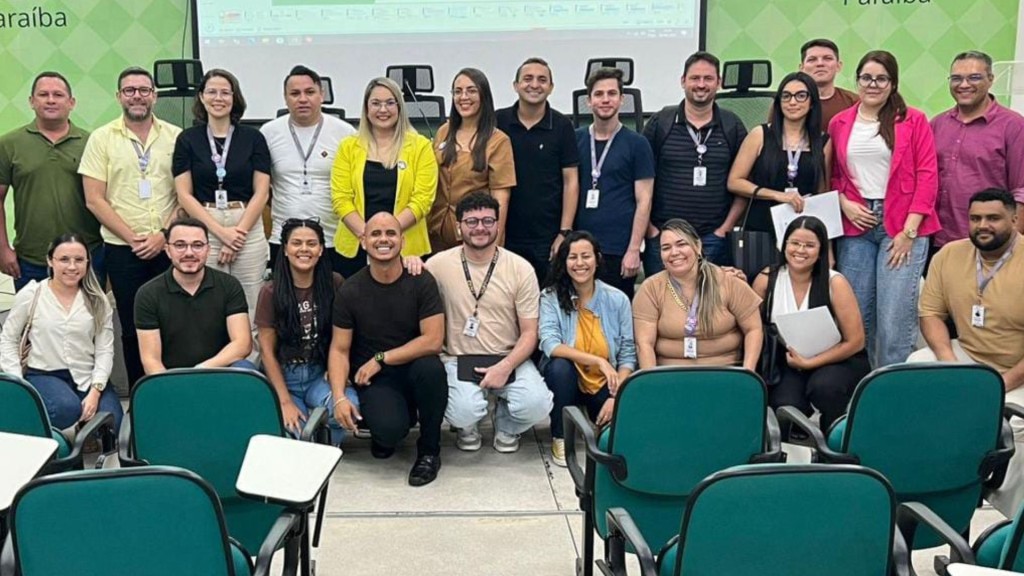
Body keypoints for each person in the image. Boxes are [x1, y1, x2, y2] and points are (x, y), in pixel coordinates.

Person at [911, 189, 1024, 517]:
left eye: (993, 218)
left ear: (1014, 219)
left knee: (1015, 425)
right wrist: (950, 365)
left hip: (1016, 370)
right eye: (975, 218)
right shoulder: (949, 254)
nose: (982, 225)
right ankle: (928, 480)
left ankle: (1005, 517)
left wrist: (999, 384)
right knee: (915, 369)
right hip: (969, 358)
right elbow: (931, 314)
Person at [829, 50, 939, 367]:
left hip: (903, 225)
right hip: (856, 225)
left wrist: (909, 232)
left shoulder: (913, 120)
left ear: (893, 83)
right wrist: (844, 203)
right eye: (866, 78)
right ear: (857, 80)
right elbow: (832, 174)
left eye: (881, 79)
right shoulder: (840, 122)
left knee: (894, 318)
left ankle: (894, 387)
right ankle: (861, 387)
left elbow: (927, 174)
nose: (873, 84)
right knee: (857, 317)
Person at [425, 192, 552, 453]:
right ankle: (467, 427)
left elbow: (530, 332)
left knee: (538, 405)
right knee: (463, 412)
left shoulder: (520, 268)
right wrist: (410, 261)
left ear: (498, 224)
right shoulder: (437, 265)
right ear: (458, 227)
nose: (480, 228)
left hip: (508, 356)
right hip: (456, 358)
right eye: (471, 221)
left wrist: (506, 366)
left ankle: (506, 425)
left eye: (487, 221)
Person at [329, 212, 448, 486]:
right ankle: (391, 428)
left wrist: (382, 358)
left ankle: (429, 451)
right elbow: (339, 349)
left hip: (414, 368)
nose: (384, 239)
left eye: (390, 233)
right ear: (363, 241)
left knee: (432, 369)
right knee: (389, 431)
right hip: (376, 380)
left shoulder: (421, 281)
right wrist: (338, 397)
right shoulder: (350, 290)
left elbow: (433, 340)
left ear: (402, 241)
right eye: (376, 234)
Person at [81, 66, 182, 389]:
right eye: (129, 90)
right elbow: (94, 199)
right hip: (123, 250)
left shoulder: (176, 136)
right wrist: (134, 238)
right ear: (119, 96)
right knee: (133, 325)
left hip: (170, 248)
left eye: (143, 90)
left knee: (174, 323)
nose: (137, 96)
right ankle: (142, 395)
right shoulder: (101, 138)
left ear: (155, 95)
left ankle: (176, 390)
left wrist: (163, 236)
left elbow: (185, 194)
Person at [173, 68, 270, 336]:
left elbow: (262, 192)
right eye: (212, 92)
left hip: (246, 224)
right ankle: (214, 360)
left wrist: (237, 234)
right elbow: (184, 194)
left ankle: (249, 361)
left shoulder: (253, 138)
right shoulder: (187, 139)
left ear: (234, 98)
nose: (219, 98)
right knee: (207, 301)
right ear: (201, 97)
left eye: (225, 92)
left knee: (251, 304)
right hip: (204, 225)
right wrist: (220, 233)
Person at [751, 216, 869, 432]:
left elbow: (856, 341)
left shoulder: (835, 282)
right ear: (784, 244)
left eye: (809, 245)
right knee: (785, 404)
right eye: (795, 243)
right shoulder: (766, 279)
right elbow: (751, 325)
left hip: (836, 358)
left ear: (821, 249)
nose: (800, 250)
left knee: (825, 388)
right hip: (789, 360)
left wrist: (810, 363)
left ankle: (835, 437)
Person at [0, 234, 122, 434]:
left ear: (87, 262)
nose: (72, 267)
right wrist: (18, 384)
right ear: (50, 261)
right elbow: (8, 339)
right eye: (64, 259)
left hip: (86, 375)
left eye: (79, 260)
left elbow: (105, 350)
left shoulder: (97, 300)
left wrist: (96, 390)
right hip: (44, 373)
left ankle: (82, 435)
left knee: (112, 422)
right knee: (65, 409)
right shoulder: (32, 294)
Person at [642, 51, 748, 272]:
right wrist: (651, 230)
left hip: (713, 239)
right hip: (664, 239)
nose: (701, 85)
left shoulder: (732, 125)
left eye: (708, 78)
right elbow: (640, 180)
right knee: (664, 295)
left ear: (719, 82)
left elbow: (745, 182)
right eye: (695, 78)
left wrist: (724, 230)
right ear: (683, 81)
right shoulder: (660, 123)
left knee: (709, 295)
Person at [539, 231, 635, 466]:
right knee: (560, 368)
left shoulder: (617, 299)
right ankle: (561, 436)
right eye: (573, 257)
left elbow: (627, 355)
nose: (580, 263)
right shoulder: (550, 297)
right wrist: (598, 361)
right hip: (567, 377)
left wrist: (616, 396)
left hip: (602, 381)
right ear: (564, 262)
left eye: (586, 256)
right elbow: (550, 344)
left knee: (616, 439)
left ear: (597, 259)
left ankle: (595, 417)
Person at [0, 72, 103, 291]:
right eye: (43, 94)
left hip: (86, 257)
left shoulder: (93, 143)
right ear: (31, 101)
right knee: (33, 314)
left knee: (89, 313)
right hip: (31, 259)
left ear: (71, 102)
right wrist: (3, 249)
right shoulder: (9, 144)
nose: (50, 100)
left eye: (58, 94)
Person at [331, 77, 438, 279]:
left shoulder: (420, 146)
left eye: (390, 103)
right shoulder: (348, 147)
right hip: (356, 246)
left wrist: (387, 235)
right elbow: (340, 198)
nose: (383, 109)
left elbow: (423, 200)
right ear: (366, 108)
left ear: (399, 107)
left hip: (407, 247)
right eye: (376, 103)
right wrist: (369, 236)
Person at [255, 218, 350, 444]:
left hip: (320, 373)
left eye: (311, 243)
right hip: (285, 375)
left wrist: (338, 372)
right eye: (296, 243)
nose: (304, 249)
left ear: (321, 250)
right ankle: (310, 431)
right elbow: (267, 352)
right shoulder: (270, 292)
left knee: (347, 409)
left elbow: (347, 336)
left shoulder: (335, 283)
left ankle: (317, 429)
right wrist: (285, 401)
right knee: (293, 435)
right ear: (285, 249)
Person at [261, 65, 356, 273]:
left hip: (333, 239)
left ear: (322, 95)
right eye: (295, 93)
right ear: (285, 98)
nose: (302, 99)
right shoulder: (268, 133)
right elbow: (261, 187)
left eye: (310, 92)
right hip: (284, 239)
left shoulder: (345, 133)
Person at [633, 218, 762, 370]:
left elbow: (753, 329)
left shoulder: (728, 281)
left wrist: (747, 372)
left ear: (698, 246)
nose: (674, 253)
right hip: (670, 375)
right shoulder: (651, 289)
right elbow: (644, 344)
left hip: (725, 373)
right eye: (666, 248)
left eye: (681, 244)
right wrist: (652, 381)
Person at [930, 51, 1024, 259]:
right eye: (956, 78)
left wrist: (1014, 246)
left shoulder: (1014, 126)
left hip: (989, 242)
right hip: (936, 241)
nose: (964, 85)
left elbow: (1021, 190)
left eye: (974, 77)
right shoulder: (937, 124)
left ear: (990, 79)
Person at [497, 57, 580, 283]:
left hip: (548, 238)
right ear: (515, 85)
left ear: (551, 87)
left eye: (542, 80)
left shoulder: (562, 126)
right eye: (528, 79)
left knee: (548, 298)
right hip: (505, 235)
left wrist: (564, 233)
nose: (534, 85)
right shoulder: (497, 122)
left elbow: (571, 181)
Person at [135, 218, 255, 373]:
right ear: (168, 250)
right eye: (180, 245)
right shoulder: (148, 294)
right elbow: (151, 360)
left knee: (246, 368)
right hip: (172, 377)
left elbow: (242, 344)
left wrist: (200, 371)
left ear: (208, 250)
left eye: (197, 245)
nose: (189, 252)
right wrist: (172, 384)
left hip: (219, 371)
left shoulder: (229, 285)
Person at [574, 67, 654, 299]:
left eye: (612, 93)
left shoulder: (637, 144)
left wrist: (634, 249)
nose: (605, 99)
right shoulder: (575, 139)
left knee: (615, 312)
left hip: (618, 249)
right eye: (599, 94)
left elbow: (644, 200)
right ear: (588, 101)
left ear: (622, 99)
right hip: (579, 248)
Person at [728, 72, 831, 241]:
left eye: (801, 96)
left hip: (803, 233)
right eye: (786, 96)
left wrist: (828, 247)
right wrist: (777, 195)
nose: (792, 102)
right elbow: (734, 181)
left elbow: (822, 193)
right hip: (761, 228)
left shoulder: (823, 141)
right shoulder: (760, 134)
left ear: (812, 102)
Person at [428, 68, 516, 251]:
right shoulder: (443, 132)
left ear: (484, 95)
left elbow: (501, 199)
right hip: (435, 234)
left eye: (471, 91)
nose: (463, 97)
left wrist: (494, 245)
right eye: (458, 91)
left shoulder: (498, 141)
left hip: (476, 237)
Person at [800, 39, 859, 132]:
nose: (820, 64)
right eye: (812, 59)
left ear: (838, 66)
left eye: (827, 58)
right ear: (802, 68)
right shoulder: (789, 103)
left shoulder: (855, 102)